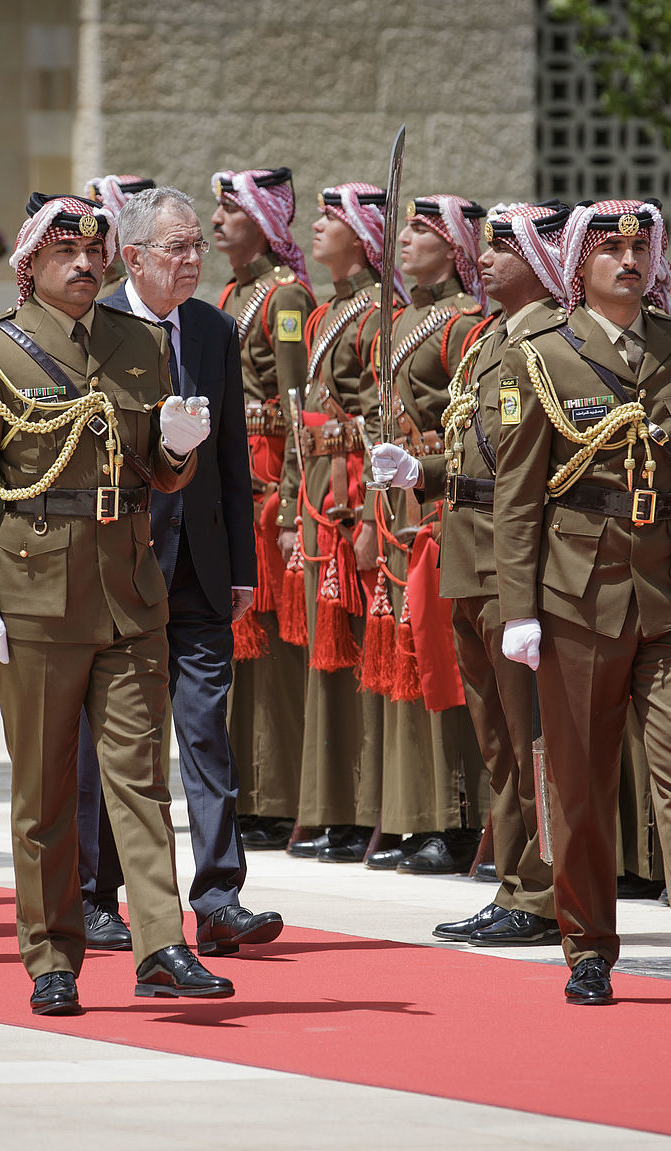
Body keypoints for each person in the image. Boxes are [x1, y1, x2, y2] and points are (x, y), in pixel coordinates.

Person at [0, 193, 229, 1016]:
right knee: (44, 794)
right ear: (30, 264)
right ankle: (50, 956)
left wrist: (178, 451)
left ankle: (161, 943)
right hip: (34, 594)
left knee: (140, 780)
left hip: (129, 592)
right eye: (65, 253)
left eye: (94, 254)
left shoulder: (141, 343)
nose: (83, 265)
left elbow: (154, 473)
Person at [493, 198, 671, 1005]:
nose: (629, 260)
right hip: (579, 591)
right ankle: (587, 944)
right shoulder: (542, 355)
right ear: (578, 264)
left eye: (640, 248)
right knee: (581, 781)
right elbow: (518, 494)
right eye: (610, 250)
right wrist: (519, 607)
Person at [76, 185, 285, 958]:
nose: (194, 259)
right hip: (121, 562)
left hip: (199, 564)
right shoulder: (95, 327)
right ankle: (95, 892)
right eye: (178, 248)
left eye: (198, 245)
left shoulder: (211, 328)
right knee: (116, 739)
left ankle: (220, 896)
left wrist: (242, 566)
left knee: (206, 732)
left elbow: (231, 457)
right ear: (132, 257)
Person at [373, 200, 570, 945]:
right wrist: (418, 472)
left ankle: (544, 893)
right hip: (467, 552)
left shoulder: (556, 340)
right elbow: (475, 451)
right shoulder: (491, 338)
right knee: (497, 741)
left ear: (542, 259)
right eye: (483, 247)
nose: (482, 259)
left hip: (517, 564)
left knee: (532, 739)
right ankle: (514, 881)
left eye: (502, 248)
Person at [364, 194, 489, 875]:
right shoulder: (402, 319)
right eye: (405, 229)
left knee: (446, 658)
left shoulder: (462, 324)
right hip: (399, 499)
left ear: (455, 247)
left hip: (439, 501)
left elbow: (470, 422)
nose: (405, 239)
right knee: (411, 657)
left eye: (421, 229)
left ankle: (461, 817)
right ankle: (419, 814)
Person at [282, 182, 390, 864]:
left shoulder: (380, 314)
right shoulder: (326, 311)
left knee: (356, 661)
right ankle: (333, 807)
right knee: (326, 664)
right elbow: (303, 419)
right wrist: (295, 503)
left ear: (363, 236)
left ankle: (365, 808)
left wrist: (371, 511)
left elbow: (381, 419)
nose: (318, 228)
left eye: (332, 219)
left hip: (352, 496)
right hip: (319, 495)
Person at [210, 166, 315, 852]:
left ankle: (278, 794)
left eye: (231, 210)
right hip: (233, 482)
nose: (217, 222)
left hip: (270, 482)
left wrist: (293, 501)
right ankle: (246, 788)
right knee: (236, 652)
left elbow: (297, 404)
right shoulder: (231, 293)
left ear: (264, 220)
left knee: (272, 649)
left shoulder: (285, 296)